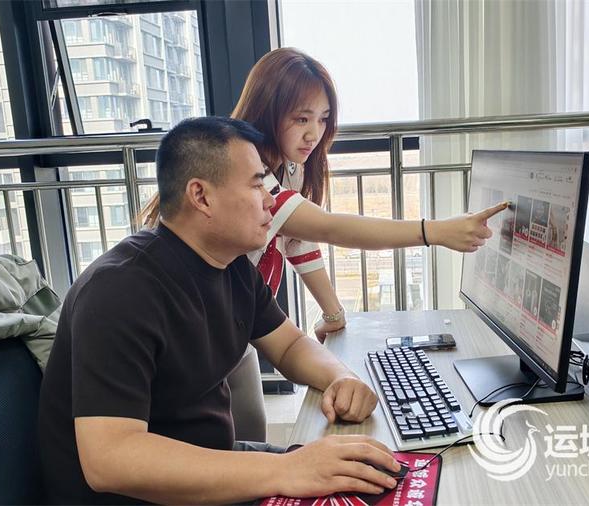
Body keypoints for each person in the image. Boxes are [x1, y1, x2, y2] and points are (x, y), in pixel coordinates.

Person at [139, 47, 507, 442]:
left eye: (323, 118)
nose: (314, 133)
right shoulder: (250, 178)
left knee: (243, 438)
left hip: (238, 318)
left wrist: (333, 317)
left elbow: (298, 243)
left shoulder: (282, 178)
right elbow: (329, 228)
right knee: (213, 440)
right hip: (202, 327)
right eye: (301, 118)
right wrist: (432, 231)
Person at [37, 117, 403, 504]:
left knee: (379, 476)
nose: (270, 201)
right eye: (257, 184)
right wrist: (285, 470)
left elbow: (289, 345)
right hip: (140, 497)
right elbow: (110, 461)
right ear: (202, 196)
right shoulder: (119, 290)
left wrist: (339, 377)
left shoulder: (231, 266)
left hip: (209, 462)